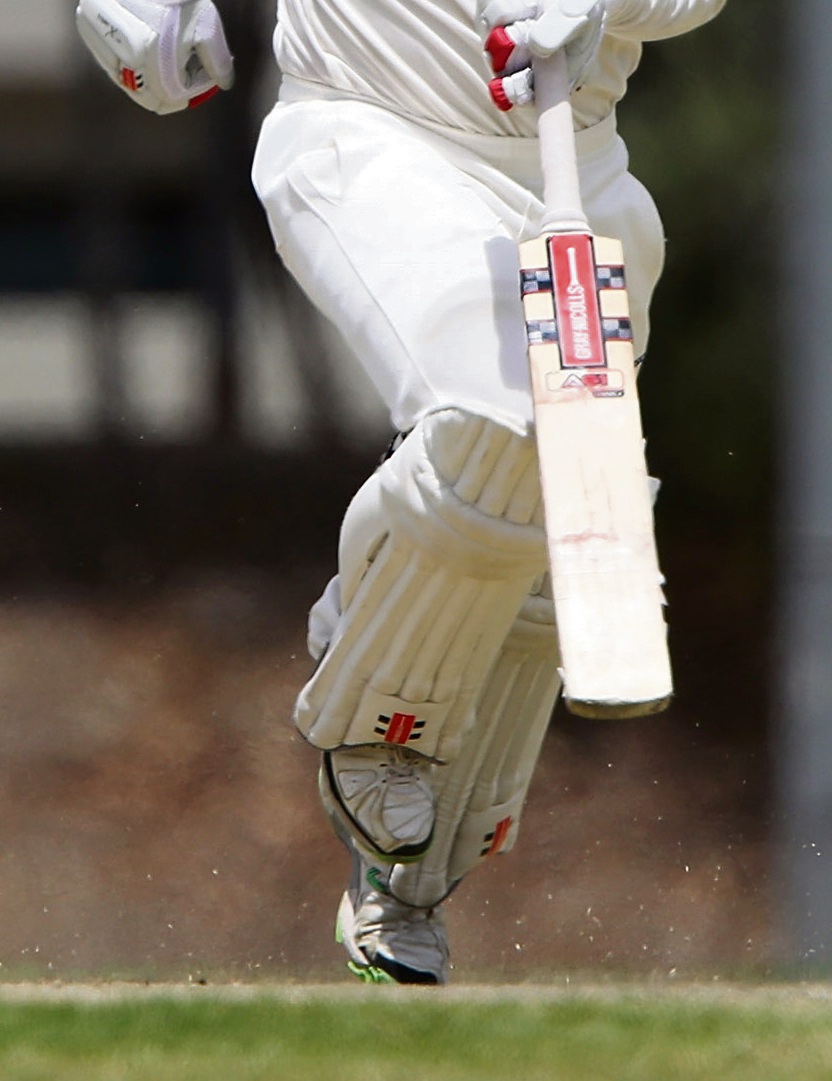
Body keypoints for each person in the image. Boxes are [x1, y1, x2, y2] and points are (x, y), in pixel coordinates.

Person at [77, 0, 724, 983]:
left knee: (555, 519)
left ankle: (405, 878)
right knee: (490, 431)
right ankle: (374, 703)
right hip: (372, 136)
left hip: (579, 176)